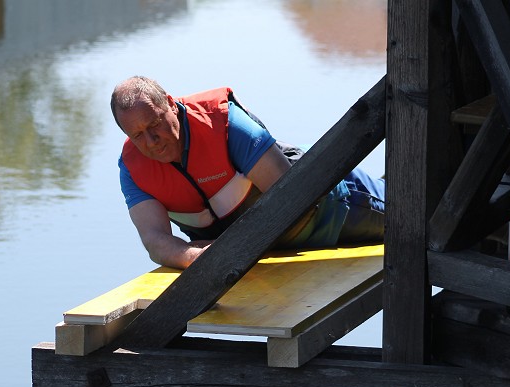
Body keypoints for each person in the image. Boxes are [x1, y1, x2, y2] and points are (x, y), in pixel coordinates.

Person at [110, 76, 385, 269]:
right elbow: (155, 241)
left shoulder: (227, 124)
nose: (152, 141)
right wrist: (195, 257)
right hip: (272, 252)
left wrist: (229, 246)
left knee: (407, 215)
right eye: (138, 135)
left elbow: (291, 203)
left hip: (340, 205)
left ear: (170, 103)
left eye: (155, 124)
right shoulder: (133, 170)